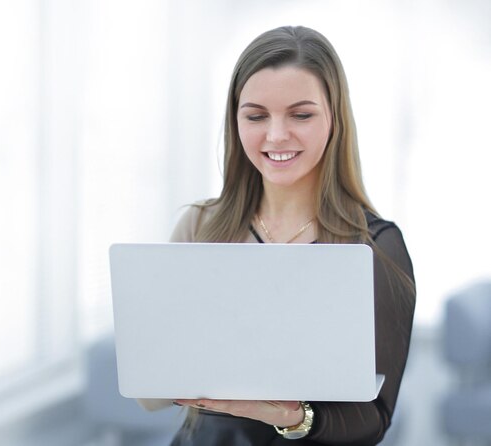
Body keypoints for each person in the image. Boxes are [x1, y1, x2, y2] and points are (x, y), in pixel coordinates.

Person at [140, 25, 416, 445]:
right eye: (256, 116)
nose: (275, 135)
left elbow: (374, 420)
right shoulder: (201, 227)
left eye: (301, 115)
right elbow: (150, 398)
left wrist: (291, 416)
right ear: (236, 122)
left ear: (335, 119)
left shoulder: (374, 247)